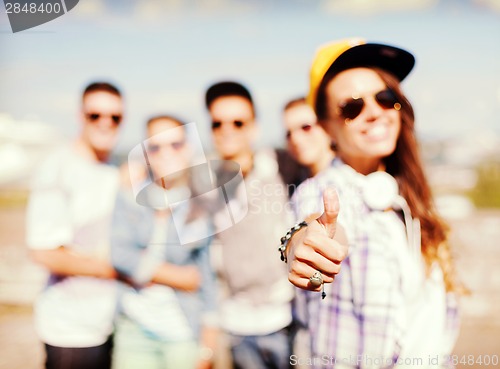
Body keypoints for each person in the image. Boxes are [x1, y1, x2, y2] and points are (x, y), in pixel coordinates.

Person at [284, 38, 464, 368]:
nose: (374, 113)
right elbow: (312, 224)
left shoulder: (403, 193)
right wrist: (301, 242)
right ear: (327, 128)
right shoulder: (321, 191)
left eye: (385, 98)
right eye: (351, 107)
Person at [26, 81, 125, 369]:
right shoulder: (57, 168)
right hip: (70, 333)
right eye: (95, 115)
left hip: (107, 324)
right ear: (80, 116)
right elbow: (43, 252)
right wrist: (120, 268)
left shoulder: (111, 169)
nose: (105, 123)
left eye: (115, 117)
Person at [110, 115, 219, 369]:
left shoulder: (201, 203)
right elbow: (119, 255)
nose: (166, 153)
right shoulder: (130, 195)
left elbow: (206, 276)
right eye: (155, 146)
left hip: (182, 331)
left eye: (176, 144)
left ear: (189, 147)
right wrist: (177, 277)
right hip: (134, 326)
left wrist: (208, 346)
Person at [204, 81, 296, 369]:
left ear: (254, 127)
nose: (227, 129)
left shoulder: (283, 167)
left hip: (284, 319)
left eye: (238, 122)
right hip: (237, 325)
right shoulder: (206, 185)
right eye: (218, 123)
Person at [283, 97, 335, 177]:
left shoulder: (353, 177)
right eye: (289, 133)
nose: (295, 139)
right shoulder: (293, 183)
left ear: (326, 125)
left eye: (305, 127)